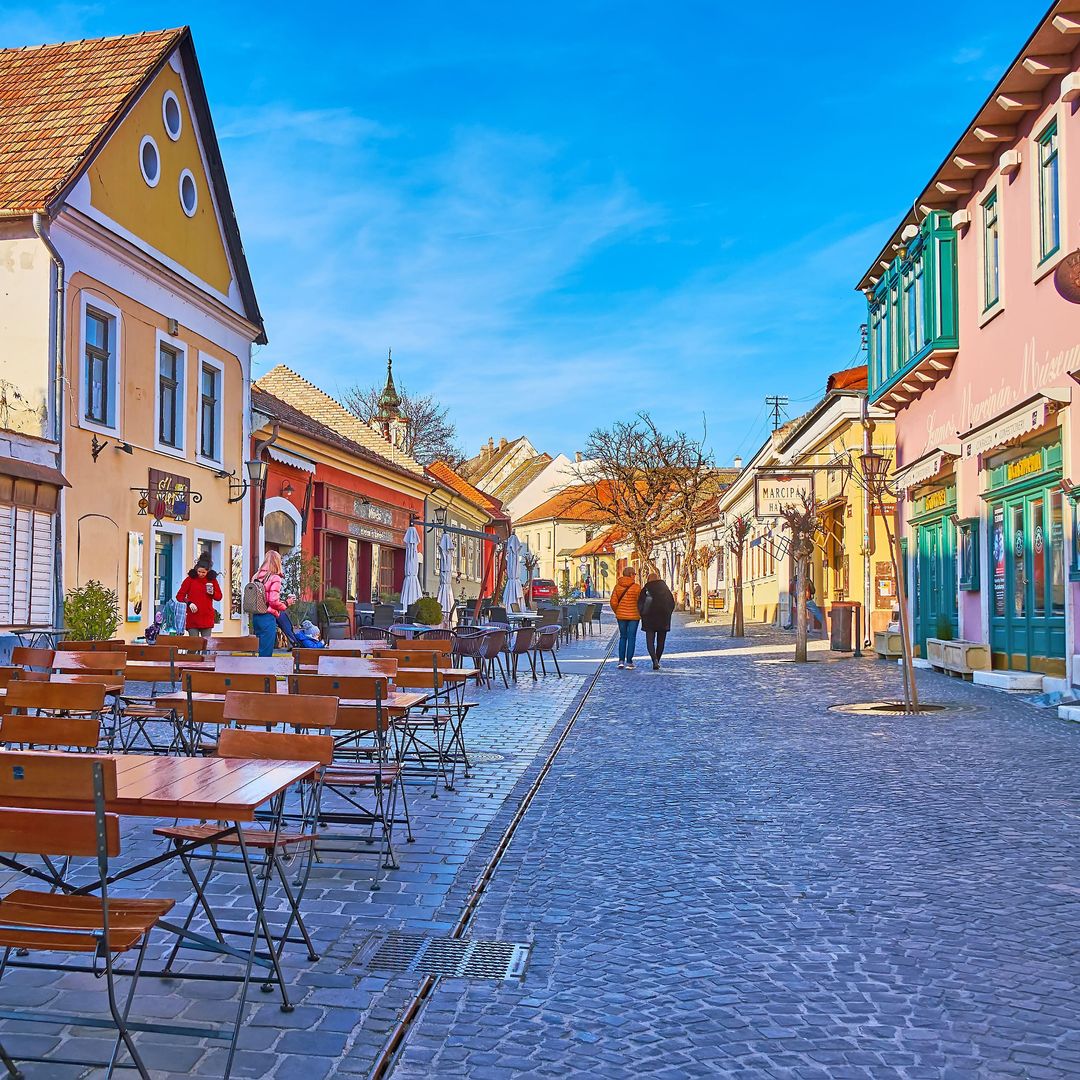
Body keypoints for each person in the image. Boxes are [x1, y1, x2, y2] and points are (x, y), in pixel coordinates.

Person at [250, 551, 296, 657]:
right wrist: (286, 603)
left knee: (260, 649)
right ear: (277, 562)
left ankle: (258, 673)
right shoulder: (275, 577)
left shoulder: (256, 576)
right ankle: (264, 673)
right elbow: (273, 601)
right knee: (266, 654)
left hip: (256, 616)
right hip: (267, 616)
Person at [175, 551, 222, 638]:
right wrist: (189, 603)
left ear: (208, 571)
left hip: (206, 617)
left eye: (203, 572)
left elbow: (219, 597)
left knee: (206, 646)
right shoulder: (190, 580)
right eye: (199, 571)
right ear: (196, 569)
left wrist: (212, 593)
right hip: (193, 617)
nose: (200, 574)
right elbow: (179, 596)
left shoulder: (212, 580)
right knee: (193, 646)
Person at [638, 570, 675, 671]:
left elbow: (640, 604)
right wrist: (668, 614)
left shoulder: (645, 590)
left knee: (650, 642)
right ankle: (657, 660)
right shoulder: (666, 590)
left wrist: (642, 614)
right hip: (663, 619)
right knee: (661, 642)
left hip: (649, 619)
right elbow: (672, 603)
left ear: (648, 579)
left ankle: (654, 660)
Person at [609, 566, 642, 670]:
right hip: (634, 616)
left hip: (621, 616)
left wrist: (618, 611)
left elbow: (613, 602)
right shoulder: (637, 587)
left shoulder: (617, 587)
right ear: (631, 575)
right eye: (634, 574)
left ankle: (621, 661)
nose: (635, 576)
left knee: (623, 637)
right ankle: (629, 662)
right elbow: (640, 602)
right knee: (631, 638)